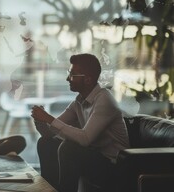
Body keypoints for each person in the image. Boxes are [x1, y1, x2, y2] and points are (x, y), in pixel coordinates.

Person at [31, 53, 130, 192]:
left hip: (114, 166)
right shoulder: (79, 102)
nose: (67, 79)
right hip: (93, 158)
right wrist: (40, 121)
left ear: (88, 79)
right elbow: (50, 134)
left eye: (72, 75)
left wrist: (48, 118)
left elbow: (85, 139)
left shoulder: (104, 99)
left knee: (69, 148)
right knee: (45, 143)